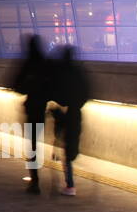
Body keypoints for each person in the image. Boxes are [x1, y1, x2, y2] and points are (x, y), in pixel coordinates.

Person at [7, 34, 50, 194]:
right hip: (42, 108)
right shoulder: (46, 63)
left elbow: (16, 85)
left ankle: (35, 180)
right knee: (36, 142)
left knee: (32, 145)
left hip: (31, 108)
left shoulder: (27, 63)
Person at [50, 46, 90, 196]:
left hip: (64, 113)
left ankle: (70, 184)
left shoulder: (61, 72)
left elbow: (56, 91)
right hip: (75, 114)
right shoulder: (79, 72)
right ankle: (71, 157)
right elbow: (86, 92)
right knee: (71, 145)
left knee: (64, 143)